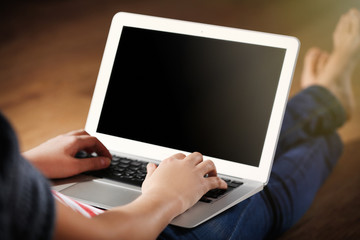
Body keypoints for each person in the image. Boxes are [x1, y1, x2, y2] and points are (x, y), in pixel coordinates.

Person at [1, 8, 359, 240]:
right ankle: (328, 103)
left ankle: (323, 99)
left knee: (237, 157)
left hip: (57, 197)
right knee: (256, 192)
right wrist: (165, 197)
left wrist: (21, 166)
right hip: (145, 231)